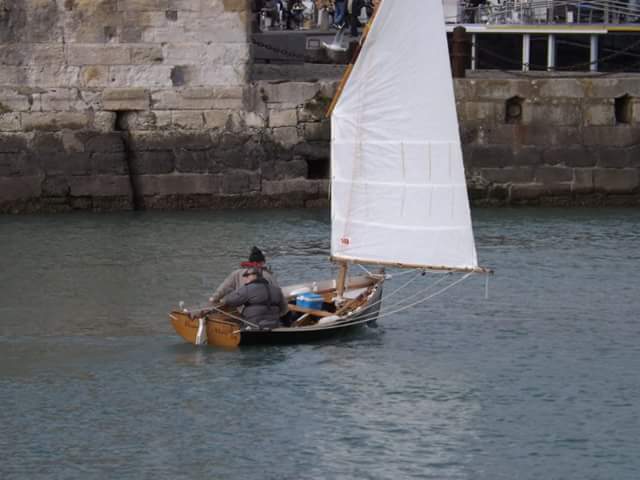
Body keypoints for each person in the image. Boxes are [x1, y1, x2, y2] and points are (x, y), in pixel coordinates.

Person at [221, 267, 288, 330]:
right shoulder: (276, 290)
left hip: (253, 325)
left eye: (247, 275)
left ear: (255, 275)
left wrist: (229, 293)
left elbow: (230, 301)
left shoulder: (247, 288)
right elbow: (284, 309)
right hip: (274, 325)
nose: (245, 278)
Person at [209, 246, 279, 304]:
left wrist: (213, 299)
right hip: (264, 308)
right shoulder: (268, 275)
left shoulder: (236, 273)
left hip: (241, 307)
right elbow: (277, 293)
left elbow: (224, 288)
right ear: (263, 262)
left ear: (249, 261)